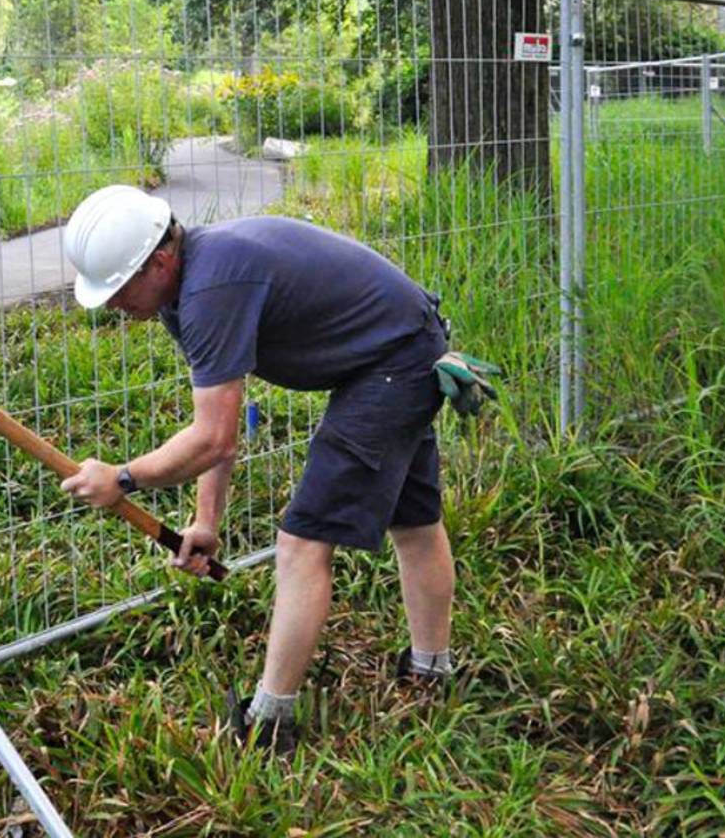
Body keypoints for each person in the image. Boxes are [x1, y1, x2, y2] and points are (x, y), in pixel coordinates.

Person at [58, 184, 496, 753]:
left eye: (118, 290)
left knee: (302, 543)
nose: (115, 306)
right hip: (400, 346)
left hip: (394, 363)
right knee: (412, 522)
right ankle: (431, 672)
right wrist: (205, 522)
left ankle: (268, 723)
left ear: (159, 261)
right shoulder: (186, 288)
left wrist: (121, 478)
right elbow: (219, 429)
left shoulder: (210, 289)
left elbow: (211, 438)